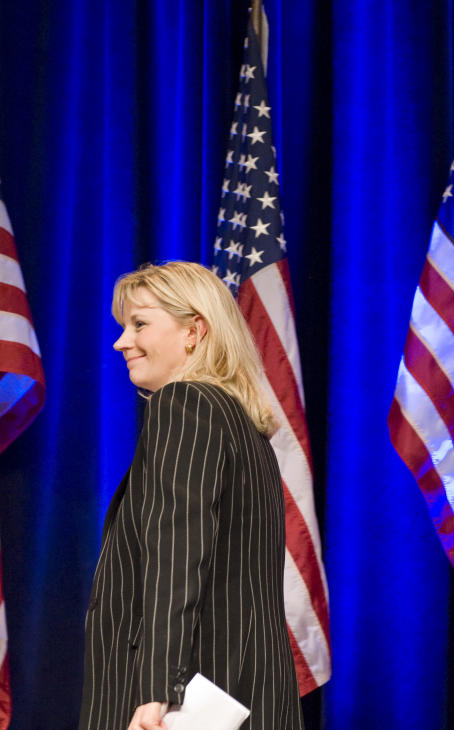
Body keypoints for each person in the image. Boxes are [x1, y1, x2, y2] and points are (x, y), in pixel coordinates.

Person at [78, 261, 304, 730]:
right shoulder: (241, 423)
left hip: (185, 704)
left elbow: (176, 553)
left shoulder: (184, 404)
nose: (122, 341)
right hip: (249, 690)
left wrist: (158, 689)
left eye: (140, 323)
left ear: (194, 331)